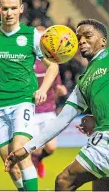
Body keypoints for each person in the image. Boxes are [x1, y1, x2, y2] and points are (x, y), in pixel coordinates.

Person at [3, 19, 109, 191]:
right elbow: (62, 120)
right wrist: (28, 148)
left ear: (103, 40)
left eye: (87, 36)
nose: (81, 40)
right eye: (78, 37)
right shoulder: (82, 81)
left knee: (64, 181)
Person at [0, 0, 59, 191]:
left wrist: (43, 89)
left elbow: (53, 66)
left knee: (19, 150)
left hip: (22, 101)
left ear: (21, 9)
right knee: (11, 165)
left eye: (13, 8)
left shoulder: (31, 35)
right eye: (5, 9)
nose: (9, 13)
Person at [32, 45, 67, 178]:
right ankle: (32, 168)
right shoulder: (28, 61)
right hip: (32, 111)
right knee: (35, 148)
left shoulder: (52, 63)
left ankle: (38, 159)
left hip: (48, 111)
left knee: (51, 147)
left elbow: (57, 85)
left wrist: (60, 89)